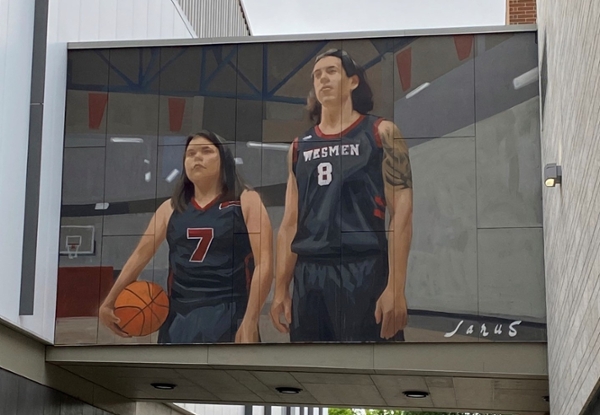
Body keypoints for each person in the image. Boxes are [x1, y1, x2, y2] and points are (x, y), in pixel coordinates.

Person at [270, 49, 413, 342]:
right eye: (317, 75)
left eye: (331, 71)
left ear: (353, 81)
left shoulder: (381, 132)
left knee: (371, 372)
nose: (323, 78)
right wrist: (281, 288)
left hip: (363, 269)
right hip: (310, 274)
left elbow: (403, 212)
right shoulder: (299, 147)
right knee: (310, 375)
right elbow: (289, 223)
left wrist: (396, 288)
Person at [99, 130, 273, 343]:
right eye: (190, 154)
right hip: (178, 315)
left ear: (224, 159)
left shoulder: (246, 200)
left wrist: (250, 321)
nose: (196, 157)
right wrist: (109, 301)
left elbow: (264, 264)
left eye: (206, 151)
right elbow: (138, 257)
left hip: (229, 311)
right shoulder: (170, 208)